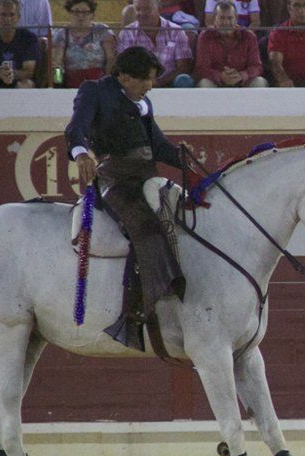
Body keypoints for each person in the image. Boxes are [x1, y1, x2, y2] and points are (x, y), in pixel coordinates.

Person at [65, 46, 186, 350]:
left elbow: (158, 145)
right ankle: (134, 313)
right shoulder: (95, 91)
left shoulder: (143, 102)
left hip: (146, 176)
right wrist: (80, 153)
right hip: (115, 179)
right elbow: (75, 128)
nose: (150, 85)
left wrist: (188, 162)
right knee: (144, 228)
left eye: (152, 80)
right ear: (123, 76)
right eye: (144, 79)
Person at [118, 0, 195, 87]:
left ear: (159, 9)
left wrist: (159, 82)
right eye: (138, 9)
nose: (142, 13)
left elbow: (183, 68)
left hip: (170, 84)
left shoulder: (176, 31)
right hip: (137, 85)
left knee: (184, 79)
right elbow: (124, 67)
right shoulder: (127, 33)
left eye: (147, 9)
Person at [195, 1, 266, 86]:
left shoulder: (249, 36)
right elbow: (202, 68)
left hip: (242, 82)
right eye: (221, 18)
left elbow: (257, 67)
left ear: (236, 18)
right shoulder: (205, 36)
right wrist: (220, 76)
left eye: (230, 18)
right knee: (204, 83)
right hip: (216, 82)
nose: (226, 22)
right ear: (214, 19)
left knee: (260, 81)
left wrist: (241, 75)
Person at [51, 0, 116, 88]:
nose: (80, 16)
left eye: (85, 12)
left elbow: (111, 59)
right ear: (69, 13)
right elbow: (57, 63)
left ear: (92, 14)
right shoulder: (61, 34)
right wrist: (58, 84)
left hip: (99, 83)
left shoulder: (102, 31)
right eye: (76, 12)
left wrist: (107, 83)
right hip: (71, 83)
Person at [0, 0, 38, 88]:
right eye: (3, 15)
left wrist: (11, 74)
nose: (7, 19)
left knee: (26, 84)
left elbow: (29, 71)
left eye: (12, 15)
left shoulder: (29, 38)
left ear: (18, 17)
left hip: (19, 79)